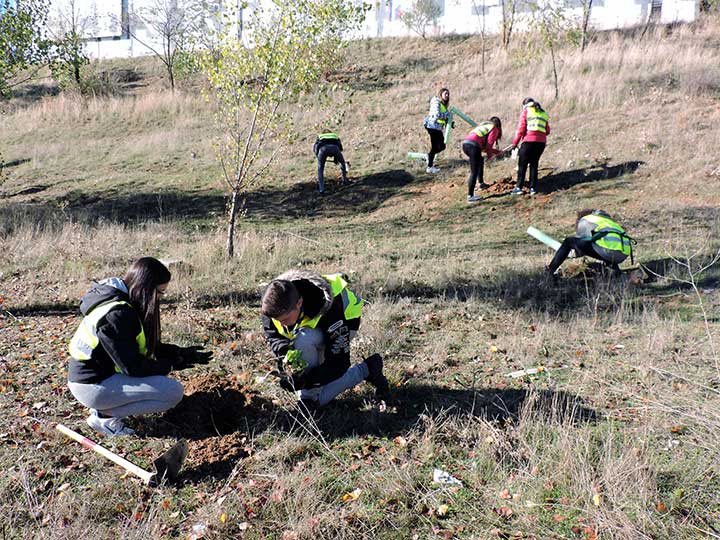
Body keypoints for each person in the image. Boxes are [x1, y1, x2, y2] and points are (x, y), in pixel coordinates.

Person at [67, 257, 212, 436]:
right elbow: (134, 367)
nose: (160, 298)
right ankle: (104, 416)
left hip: (101, 378)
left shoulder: (123, 302)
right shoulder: (117, 315)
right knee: (172, 392)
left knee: (168, 387)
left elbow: (136, 346)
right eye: (160, 292)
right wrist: (172, 365)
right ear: (146, 288)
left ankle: (106, 408)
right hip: (92, 385)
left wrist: (179, 353)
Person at [261, 270, 390, 409]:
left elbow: (338, 364)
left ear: (299, 303)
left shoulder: (330, 307)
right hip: (312, 329)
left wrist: (308, 381)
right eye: (276, 320)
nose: (280, 324)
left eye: (285, 319)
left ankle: (309, 400)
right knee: (317, 394)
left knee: (304, 340)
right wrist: (287, 366)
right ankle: (369, 368)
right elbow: (274, 338)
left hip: (345, 324)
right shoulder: (273, 304)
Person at [546, 209, 635, 275]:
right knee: (606, 248)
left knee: (569, 241)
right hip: (623, 255)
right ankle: (616, 272)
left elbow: (581, 244)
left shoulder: (587, 219)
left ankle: (550, 271)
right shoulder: (611, 223)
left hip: (609, 252)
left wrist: (567, 253)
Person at [510, 98, 550, 195]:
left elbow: (521, 129)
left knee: (522, 165)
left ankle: (519, 188)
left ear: (525, 105)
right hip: (541, 143)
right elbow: (547, 131)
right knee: (534, 164)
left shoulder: (526, 112)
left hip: (528, 141)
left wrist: (515, 143)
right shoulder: (543, 113)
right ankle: (533, 188)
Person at [462, 117, 503, 203]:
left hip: (466, 144)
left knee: (480, 160)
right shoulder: (494, 128)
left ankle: (481, 183)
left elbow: (484, 147)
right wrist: (490, 157)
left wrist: (497, 152)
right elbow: (488, 146)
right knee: (474, 171)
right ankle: (470, 196)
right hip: (473, 146)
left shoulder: (483, 127)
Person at [423, 87, 451, 174]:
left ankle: (429, 157)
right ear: (440, 94)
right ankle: (430, 167)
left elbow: (442, 117)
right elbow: (437, 115)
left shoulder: (443, 104)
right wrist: (447, 115)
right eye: (445, 93)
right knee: (436, 147)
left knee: (442, 146)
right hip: (432, 126)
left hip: (437, 127)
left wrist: (448, 121)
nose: (447, 95)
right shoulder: (436, 102)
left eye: (448, 94)